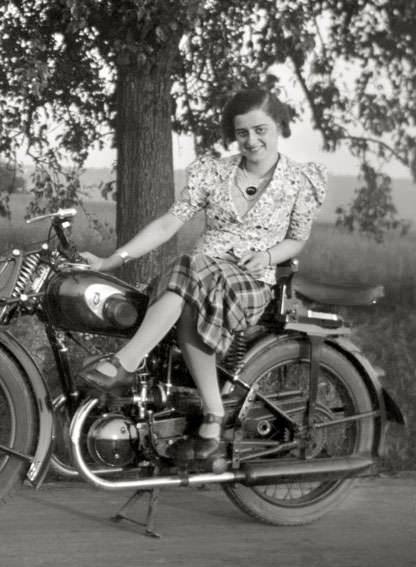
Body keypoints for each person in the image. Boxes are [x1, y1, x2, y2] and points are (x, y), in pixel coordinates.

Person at [78, 87, 327, 460]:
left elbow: (296, 240)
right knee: (189, 277)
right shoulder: (214, 173)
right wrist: (111, 260)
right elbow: (167, 225)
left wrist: (268, 256)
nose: (251, 140)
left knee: (188, 270)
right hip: (198, 277)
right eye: (242, 132)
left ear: (279, 126)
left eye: (260, 130)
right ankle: (212, 414)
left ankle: (126, 362)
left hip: (249, 283)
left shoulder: (301, 181)